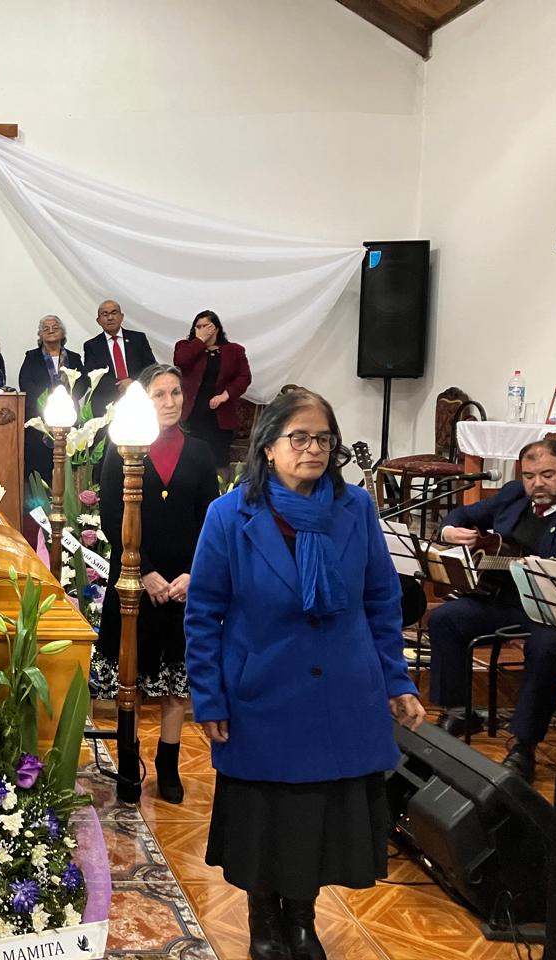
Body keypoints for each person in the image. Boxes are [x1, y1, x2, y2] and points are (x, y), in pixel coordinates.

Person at [184, 388, 425, 960]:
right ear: (269, 447)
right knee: (266, 816)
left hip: (341, 690)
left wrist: (397, 679)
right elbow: (204, 613)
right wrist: (209, 697)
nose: (314, 449)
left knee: (317, 817)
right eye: (299, 438)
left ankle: (301, 918)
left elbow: (381, 600)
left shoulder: (354, 508)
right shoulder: (229, 514)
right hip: (262, 691)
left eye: (323, 438)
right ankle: (263, 917)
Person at [97, 364, 219, 804]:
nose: (169, 402)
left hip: (184, 582)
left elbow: (210, 520)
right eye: (159, 395)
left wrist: (192, 574)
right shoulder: (122, 446)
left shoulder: (199, 452)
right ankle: (128, 762)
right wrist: (143, 571)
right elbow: (112, 515)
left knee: (175, 684)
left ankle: (168, 764)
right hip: (134, 580)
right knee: (131, 678)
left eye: (175, 393)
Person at [428, 438, 556, 781]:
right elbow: (462, 514)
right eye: (530, 476)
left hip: (554, 612)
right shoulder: (512, 495)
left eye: (548, 474)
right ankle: (459, 711)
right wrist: (450, 531)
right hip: (504, 602)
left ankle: (524, 745)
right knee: (446, 618)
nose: (537, 483)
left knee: (546, 646)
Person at [174, 310, 252, 473]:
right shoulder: (185, 347)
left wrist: (226, 395)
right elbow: (181, 361)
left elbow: (244, 377)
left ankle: (220, 488)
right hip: (192, 415)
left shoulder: (234, 350)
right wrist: (200, 340)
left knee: (219, 462)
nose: (201, 329)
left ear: (216, 328)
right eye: (198, 326)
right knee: (190, 459)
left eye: (206, 326)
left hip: (220, 416)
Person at [17, 315, 84, 488]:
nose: (51, 330)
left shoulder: (74, 358)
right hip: (40, 422)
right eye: (45, 328)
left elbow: (83, 383)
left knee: (68, 468)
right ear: (40, 335)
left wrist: (66, 400)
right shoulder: (31, 357)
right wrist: (45, 407)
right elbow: (26, 383)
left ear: (63, 332)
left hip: (69, 419)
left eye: (55, 327)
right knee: (40, 469)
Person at [82, 299, 157, 417]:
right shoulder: (92, 345)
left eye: (114, 313)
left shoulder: (138, 338)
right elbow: (91, 375)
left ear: (121, 317)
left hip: (138, 398)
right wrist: (120, 385)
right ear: (98, 321)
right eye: (105, 314)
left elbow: (151, 368)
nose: (110, 317)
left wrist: (133, 383)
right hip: (106, 404)